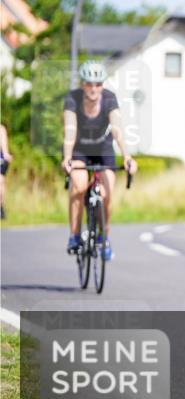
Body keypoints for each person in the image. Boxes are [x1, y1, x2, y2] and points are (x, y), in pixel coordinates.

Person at [62, 61, 136, 260]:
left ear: (102, 85)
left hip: (103, 149)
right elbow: (70, 129)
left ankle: (104, 238)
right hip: (79, 149)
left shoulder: (110, 99)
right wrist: (68, 157)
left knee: (107, 193)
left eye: (98, 84)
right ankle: (75, 235)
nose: (94, 88)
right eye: (89, 84)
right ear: (83, 84)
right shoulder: (72, 98)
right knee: (78, 186)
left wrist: (127, 155)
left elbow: (117, 129)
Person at [0, 123, 11, 220]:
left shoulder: (1, 129)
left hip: (1, 159)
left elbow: (4, 149)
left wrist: (6, 154)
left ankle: (1, 207)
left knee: (0, 181)